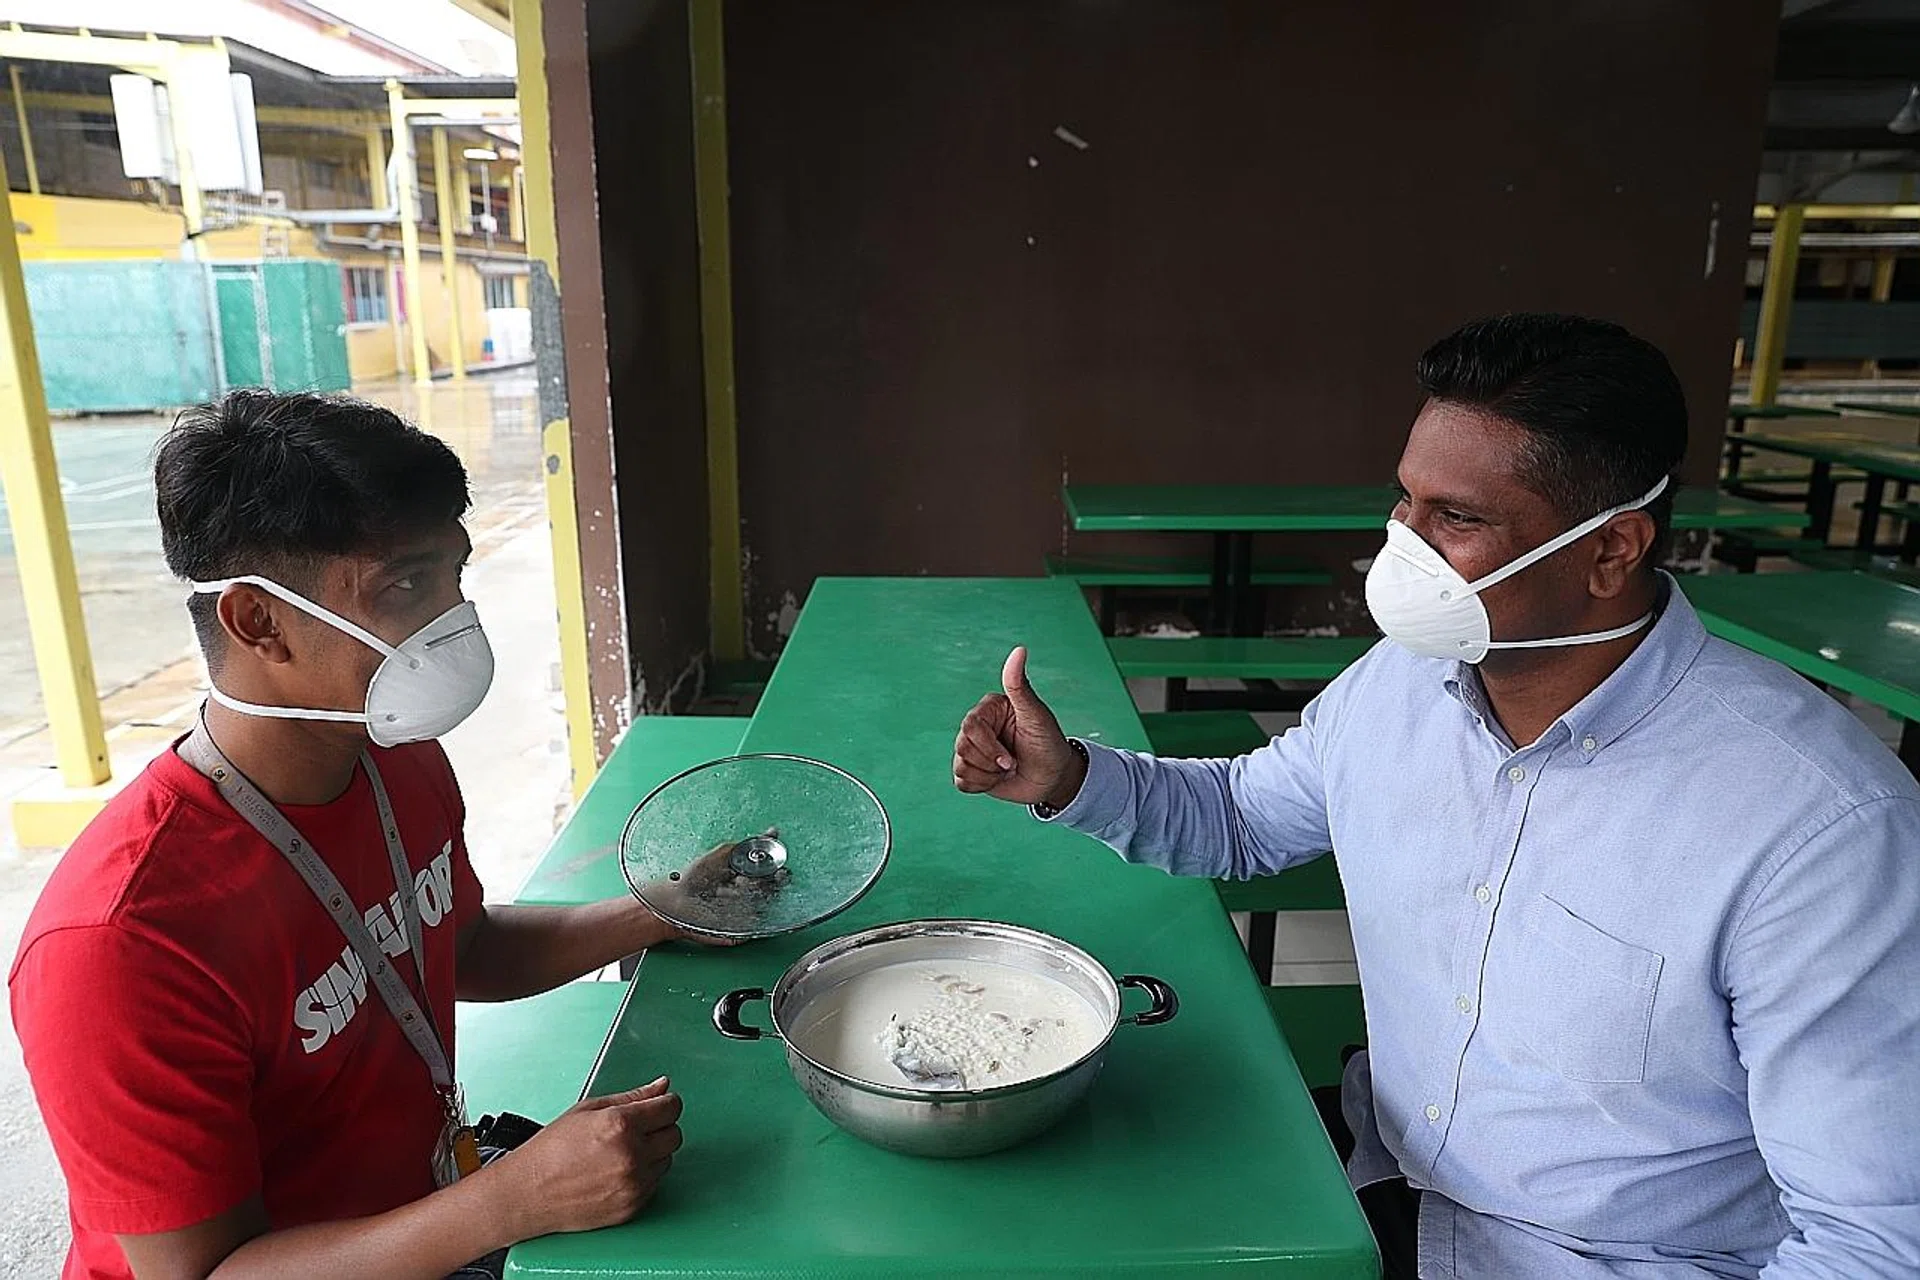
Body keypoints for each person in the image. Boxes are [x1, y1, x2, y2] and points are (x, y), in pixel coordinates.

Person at [953, 315, 1920, 1279]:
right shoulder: (1405, 682)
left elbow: (1873, 1246)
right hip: (1383, 1180)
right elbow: (1244, 819)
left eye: (1455, 519)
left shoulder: (1819, 833)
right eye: (1402, 503)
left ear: (1613, 549)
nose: (1397, 551)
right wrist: (1071, 777)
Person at [12, 391, 723, 1280]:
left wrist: (664, 909)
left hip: (423, 1218)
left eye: (454, 577)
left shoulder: (389, 751)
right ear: (257, 622)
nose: (452, 619)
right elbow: (203, 1275)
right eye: (405, 586)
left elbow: (457, 947)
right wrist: (511, 1199)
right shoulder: (121, 941)